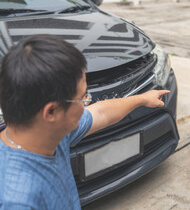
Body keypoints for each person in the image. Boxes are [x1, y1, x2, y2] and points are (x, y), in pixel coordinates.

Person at [0, 34, 169, 209]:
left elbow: (102, 113)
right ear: (51, 111)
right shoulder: (17, 200)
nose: (86, 104)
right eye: (82, 98)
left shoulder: (47, 132)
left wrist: (142, 99)